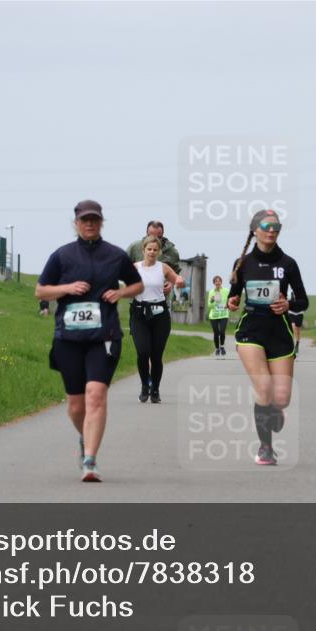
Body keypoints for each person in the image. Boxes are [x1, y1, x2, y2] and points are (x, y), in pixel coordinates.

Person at [35, 200, 143, 482]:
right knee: (76, 404)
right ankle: (85, 437)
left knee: (96, 394)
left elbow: (137, 284)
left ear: (101, 222)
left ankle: (90, 462)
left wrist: (121, 293)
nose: (90, 224)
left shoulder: (115, 255)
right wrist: (67, 288)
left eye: (94, 219)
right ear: (76, 223)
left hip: (104, 336)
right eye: (85, 220)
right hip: (69, 338)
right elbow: (40, 291)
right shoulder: (62, 256)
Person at [227, 209, 308, 466]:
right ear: (255, 230)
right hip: (251, 329)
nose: (272, 230)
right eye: (266, 226)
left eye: (276, 227)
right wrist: (232, 301)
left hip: (279, 331)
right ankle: (265, 448)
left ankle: (274, 410)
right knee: (263, 387)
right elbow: (233, 295)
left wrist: (288, 304)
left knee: (281, 398)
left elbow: (303, 301)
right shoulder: (243, 263)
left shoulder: (288, 264)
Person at [130, 235, 184, 403]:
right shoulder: (135, 267)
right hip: (139, 313)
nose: (152, 252)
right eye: (149, 249)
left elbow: (177, 280)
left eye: (155, 249)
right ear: (143, 250)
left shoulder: (163, 268)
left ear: (159, 251)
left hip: (160, 314)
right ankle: (144, 385)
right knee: (142, 352)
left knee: (156, 355)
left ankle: (155, 390)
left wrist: (179, 282)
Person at [126, 221, 180, 293]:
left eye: (159, 237)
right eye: (151, 236)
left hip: (161, 295)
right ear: (146, 233)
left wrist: (171, 283)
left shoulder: (172, 252)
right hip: (138, 295)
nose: (155, 239)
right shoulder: (134, 247)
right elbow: (124, 267)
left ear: (162, 234)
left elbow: (176, 273)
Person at [207, 275, 231, 357]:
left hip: (224, 314)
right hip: (214, 315)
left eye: (219, 281)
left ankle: (222, 346)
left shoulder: (226, 291)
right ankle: (217, 348)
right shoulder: (211, 292)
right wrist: (212, 300)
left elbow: (230, 300)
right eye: (216, 281)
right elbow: (209, 306)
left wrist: (228, 305)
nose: (218, 282)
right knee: (216, 333)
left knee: (222, 331)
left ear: (221, 282)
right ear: (214, 283)